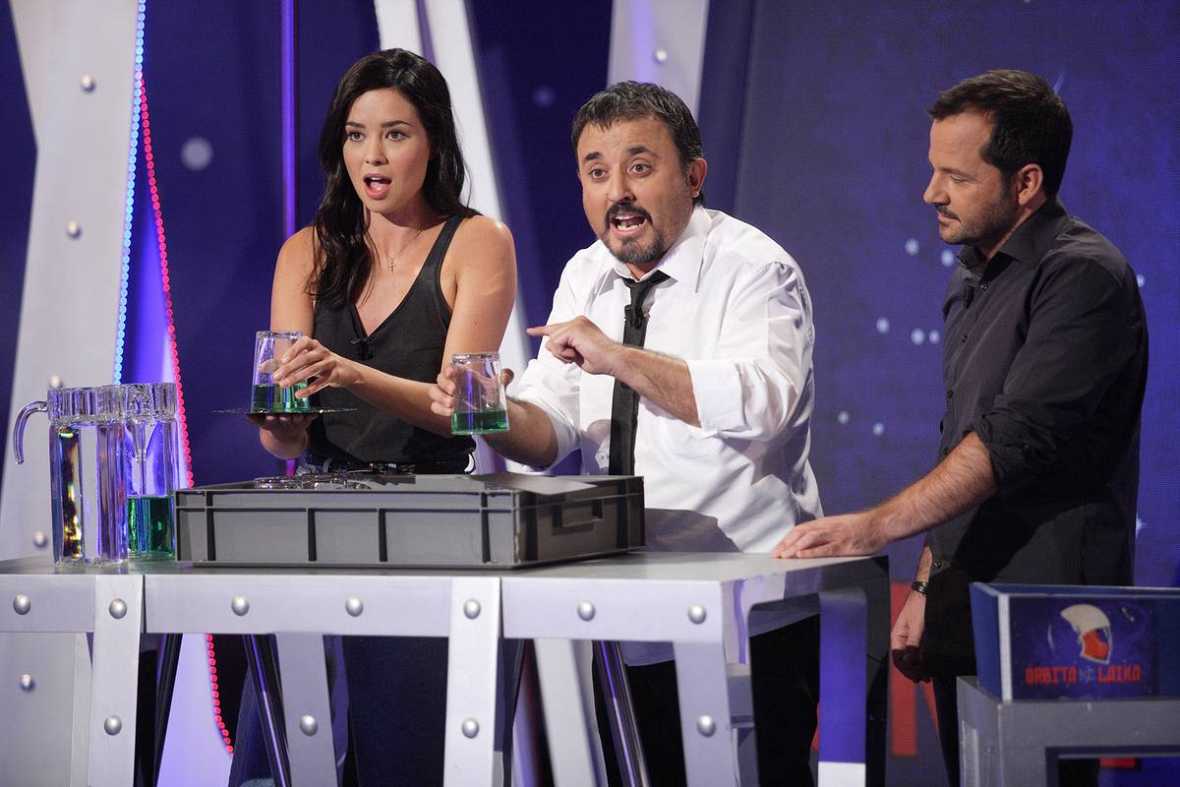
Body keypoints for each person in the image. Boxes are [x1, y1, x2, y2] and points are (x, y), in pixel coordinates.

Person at [431, 81, 823, 786]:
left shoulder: (754, 268)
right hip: (627, 609)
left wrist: (618, 358)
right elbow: (552, 429)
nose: (618, 192)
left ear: (693, 176)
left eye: (640, 167)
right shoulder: (586, 273)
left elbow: (768, 400)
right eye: (597, 172)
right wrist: (490, 410)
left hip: (746, 610)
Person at [773, 69, 1148, 787]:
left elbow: (1012, 441)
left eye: (956, 176)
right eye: (932, 170)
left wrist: (874, 527)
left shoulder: (1085, 278)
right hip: (965, 603)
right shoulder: (972, 276)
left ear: (1027, 181)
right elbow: (962, 443)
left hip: (1051, 616)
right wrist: (926, 584)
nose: (931, 193)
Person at [242, 48, 516, 785]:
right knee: (295, 750)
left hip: (434, 527)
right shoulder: (305, 252)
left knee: (409, 753)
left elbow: (461, 413)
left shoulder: (477, 243)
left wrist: (348, 372)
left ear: (433, 141)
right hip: (318, 522)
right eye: (357, 135)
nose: (374, 155)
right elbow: (281, 441)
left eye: (396, 134)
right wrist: (284, 422)